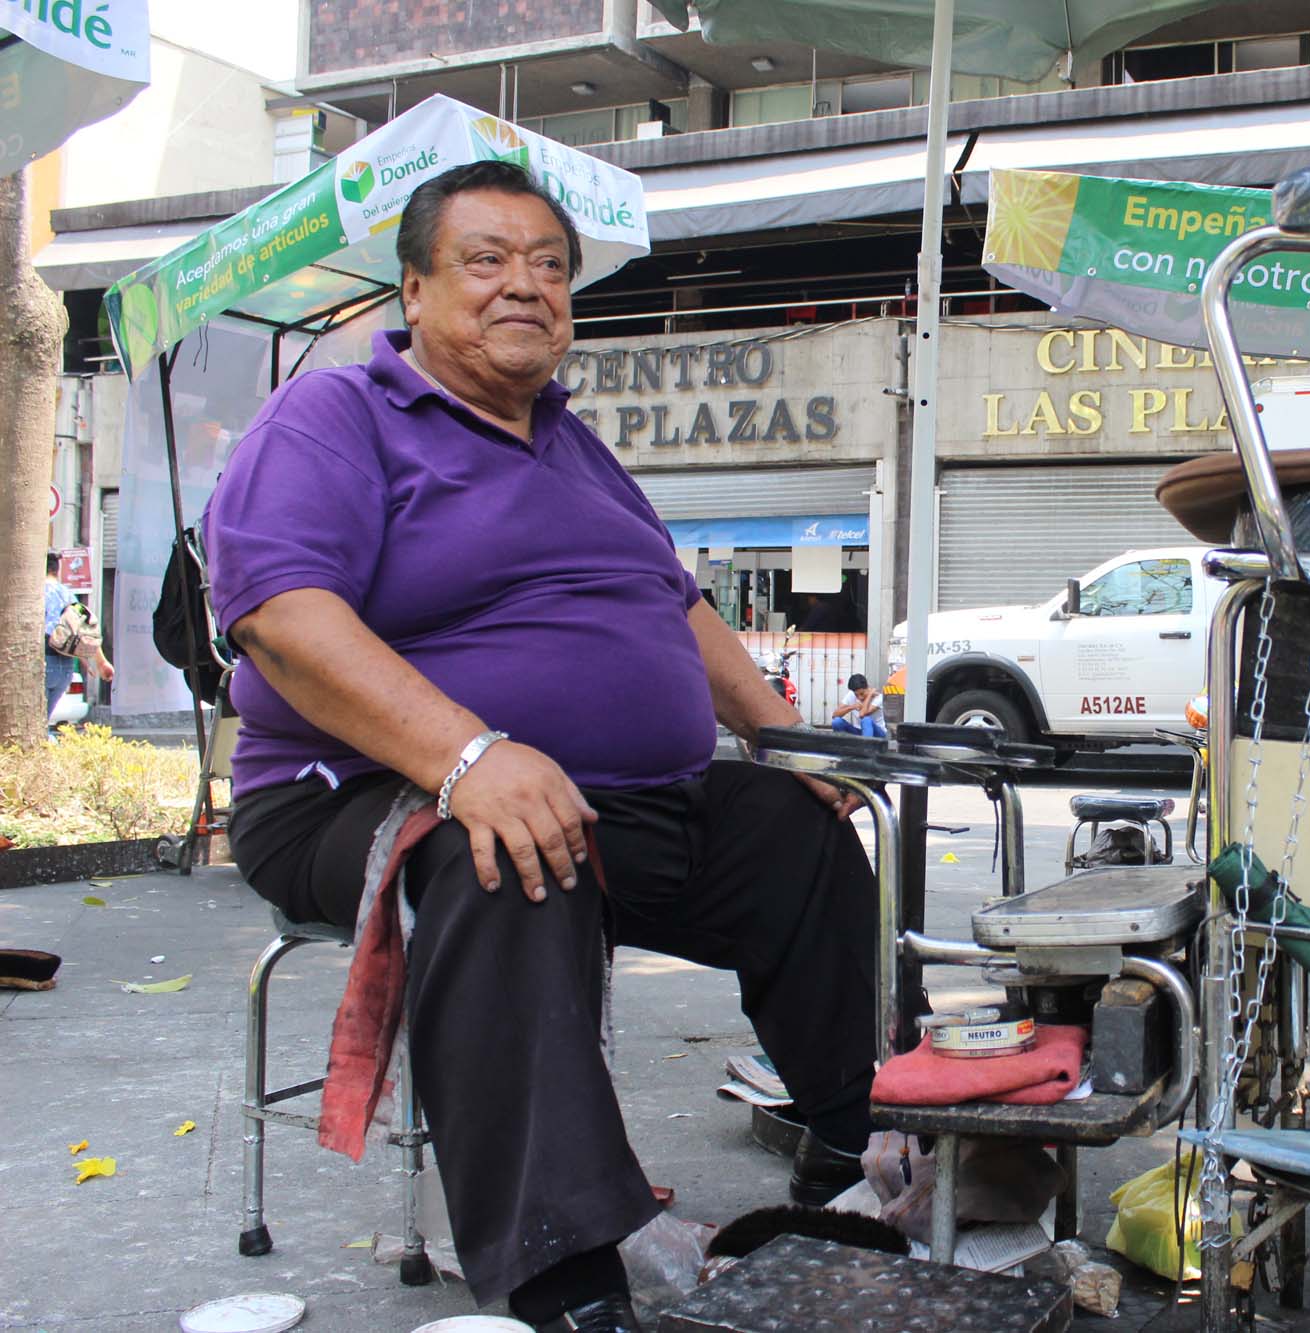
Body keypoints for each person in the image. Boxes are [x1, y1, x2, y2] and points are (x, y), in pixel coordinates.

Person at [205, 162, 877, 1333]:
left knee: (792, 831)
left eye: (549, 265)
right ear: (412, 291)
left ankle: (862, 1157)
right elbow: (281, 615)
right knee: (505, 849)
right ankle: (564, 1278)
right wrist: (466, 757)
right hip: (357, 793)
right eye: (485, 260)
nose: (524, 284)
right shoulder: (333, 415)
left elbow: (676, 608)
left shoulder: (581, 448)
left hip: (607, 794)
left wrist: (788, 738)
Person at [43, 552, 112, 722]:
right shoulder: (69, 596)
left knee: (33, 722)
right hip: (65, 668)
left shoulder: (32, 594)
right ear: (57, 571)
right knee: (42, 721)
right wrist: (100, 662)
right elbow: (85, 629)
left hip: (42, 662)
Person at [829, 673, 885, 739]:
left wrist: (869, 695)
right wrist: (852, 707)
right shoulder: (851, 695)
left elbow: (862, 715)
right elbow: (835, 715)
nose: (860, 698)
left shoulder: (879, 698)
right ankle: (844, 747)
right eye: (856, 695)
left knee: (866, 720)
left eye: (862, 693)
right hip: (858, 731)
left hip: (877, 733)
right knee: (837, 722)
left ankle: (866, 747)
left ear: (867, 687)